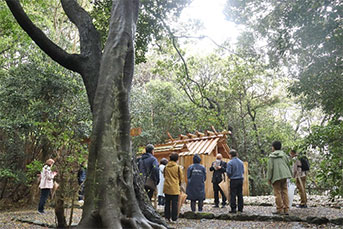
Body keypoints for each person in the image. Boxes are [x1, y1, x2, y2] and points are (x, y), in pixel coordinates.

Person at [267, 141, 292, 215]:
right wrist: (290, 174)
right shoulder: (284, 155)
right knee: (285, 191)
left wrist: (269, 178)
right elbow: (288, 165)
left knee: (277, 192)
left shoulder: (271, 157)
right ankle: (286, 209)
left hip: (276, 176)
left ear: (273, 147)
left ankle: (279, 209)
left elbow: (270, 168)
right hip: (285, 175)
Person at [163, 152, 183, 223]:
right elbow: (181, 178)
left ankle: (167, 217)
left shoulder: (166, 167)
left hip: (166, 187)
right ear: (177, 159)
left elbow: (164, 175)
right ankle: (174, 218)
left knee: (167, 203)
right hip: (175, 188)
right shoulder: (177, 167)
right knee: (175, 204)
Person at [226, 149, 244, 213]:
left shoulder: (230, 163)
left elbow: (228, 172)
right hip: (240, 179)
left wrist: (229, 177)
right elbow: (243, 171)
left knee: (233, 194)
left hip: (233, 179)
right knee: (240, 194)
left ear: (230, 155)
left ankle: (233, 208)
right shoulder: (241, 162)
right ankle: (240, 208)